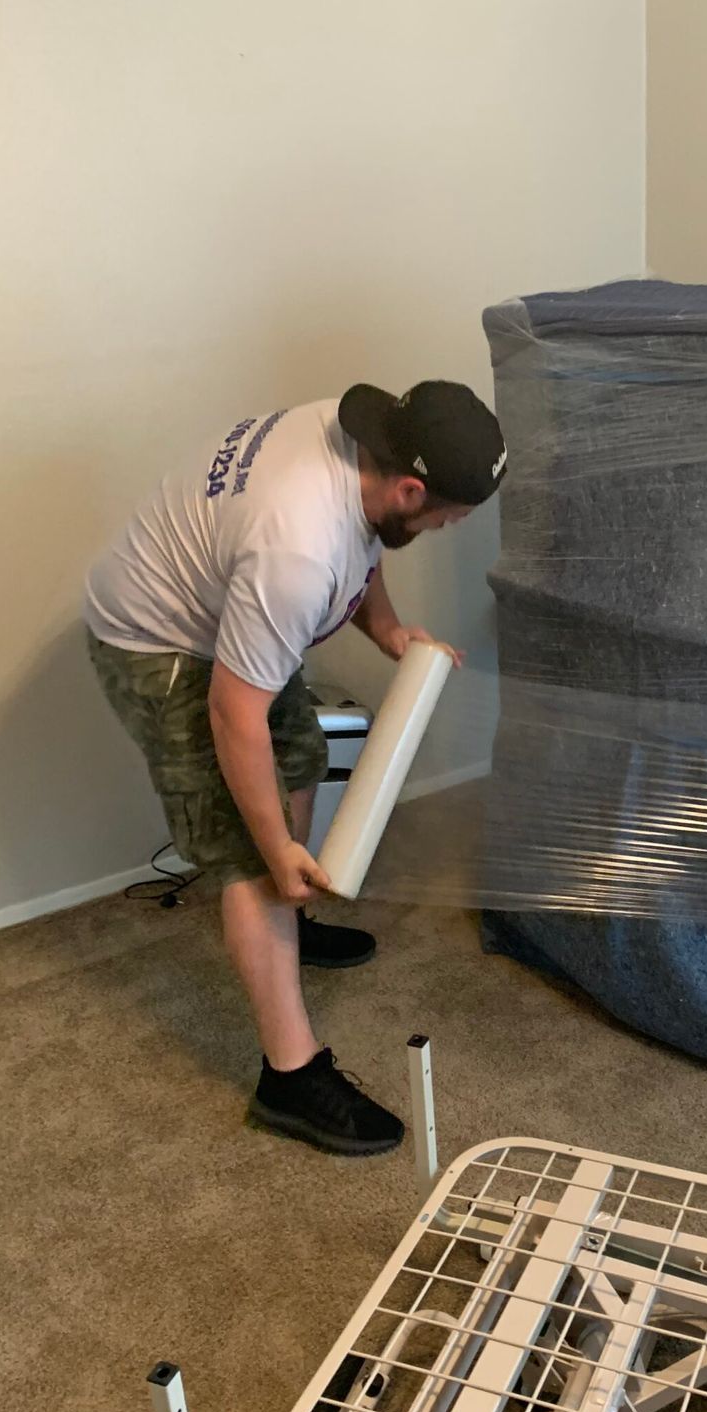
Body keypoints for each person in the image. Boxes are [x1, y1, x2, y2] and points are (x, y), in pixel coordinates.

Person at [84, 381, 506, 1155]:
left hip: (227, 618)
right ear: (411, 487)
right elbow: (232, 716)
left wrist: (387, 631)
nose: (447, 528)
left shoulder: (360, 442)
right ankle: (290, 1076)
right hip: (157, 643)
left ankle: (290, 919)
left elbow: (372, 542)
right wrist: (277, 851)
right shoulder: (298, 549)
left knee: (305, 754)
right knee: (248, 849)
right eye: (448, 516)